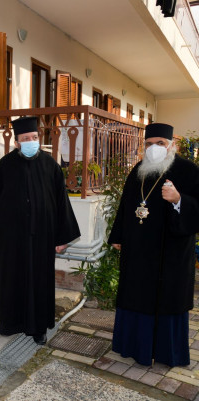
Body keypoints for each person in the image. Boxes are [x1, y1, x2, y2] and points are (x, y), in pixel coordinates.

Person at [0, 116, 80, 345]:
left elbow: (62, 202)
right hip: (10, 237)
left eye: (34, 137)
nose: (32, 141)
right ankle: (10, 323)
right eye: (26, 139)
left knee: (39, 281)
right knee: (11, 279)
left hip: (42, 237)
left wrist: (62, 237)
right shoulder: (4, 165)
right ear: (17, 142)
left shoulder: (50, 165)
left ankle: (38, 328)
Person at [108, 123, 199, 367]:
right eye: (149, 144)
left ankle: (166, 353)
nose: (153, 148)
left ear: (171, 145)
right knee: (136, 295)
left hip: (171, 255)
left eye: (159, 143)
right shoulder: (139, 169)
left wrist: (179, 200)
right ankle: (133, 347)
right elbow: (126, 206)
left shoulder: (188, 171)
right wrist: (118, 235)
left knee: (167, 300)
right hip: (138, 252)